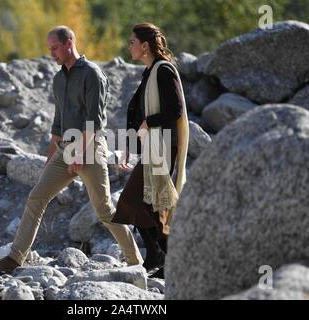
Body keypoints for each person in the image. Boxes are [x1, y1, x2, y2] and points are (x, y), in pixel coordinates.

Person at [0, 26, 143, 272]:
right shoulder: (59, 79)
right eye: (49, 49)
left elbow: (95, 121)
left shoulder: (93, 74)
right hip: (64, 149)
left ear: (69, 43)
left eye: (55, 48)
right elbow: (57, 123)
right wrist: (50, 160)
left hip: (89, 148)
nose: (52, 54)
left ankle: (136, 262)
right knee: (37, 197)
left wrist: (79, 153)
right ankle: (15, 258)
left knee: (104, 210)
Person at [112, 23, 189, 278]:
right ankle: (160, 256)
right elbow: (139, 115)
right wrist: (130, 147)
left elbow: (174, 111)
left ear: (145, 46)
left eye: (132, 41)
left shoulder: (163, 71)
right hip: (154, 146)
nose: (129, 46)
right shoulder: (150, 72)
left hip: (165, 146)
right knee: (144, 204)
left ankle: (172, 259)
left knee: (143, 203)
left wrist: (149, 122)